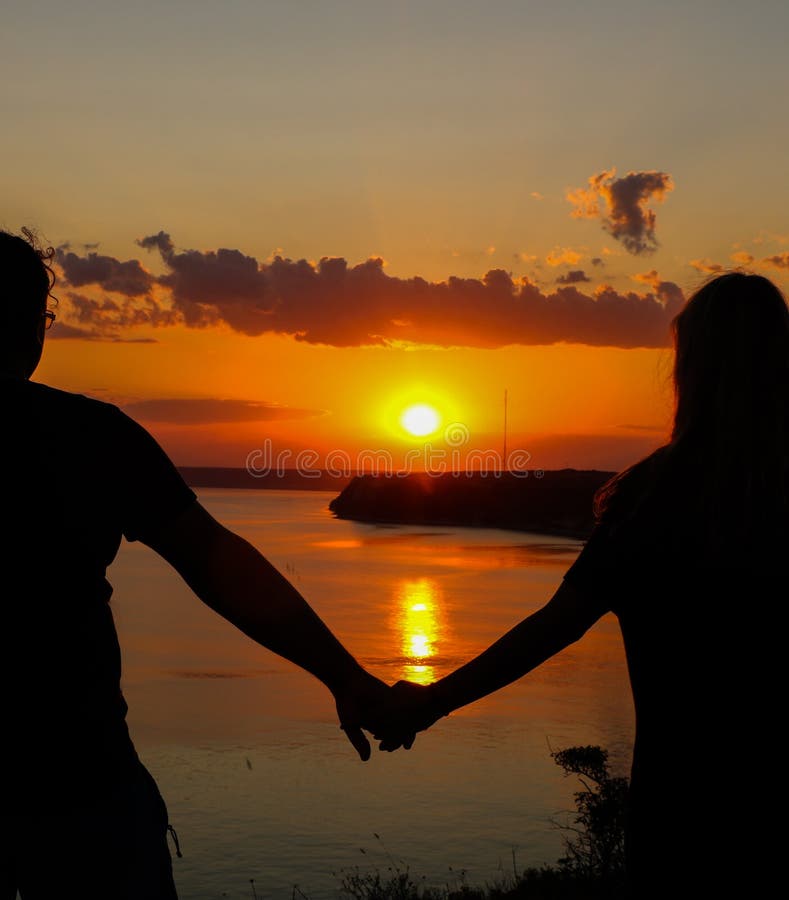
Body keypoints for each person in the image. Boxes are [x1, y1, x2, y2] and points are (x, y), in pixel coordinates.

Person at [0, 228, 393, 899]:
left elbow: (220, 565)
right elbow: (217, 565)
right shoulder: (90, 437)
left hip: (85, 785)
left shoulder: (94, 437)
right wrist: (343, 676)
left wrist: (342, 675)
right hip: (80, 785)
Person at [377, 272, 789, 897]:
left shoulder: (657, 498)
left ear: (692, 372)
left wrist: (431, 703)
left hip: (683, 812)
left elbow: (556, 625)